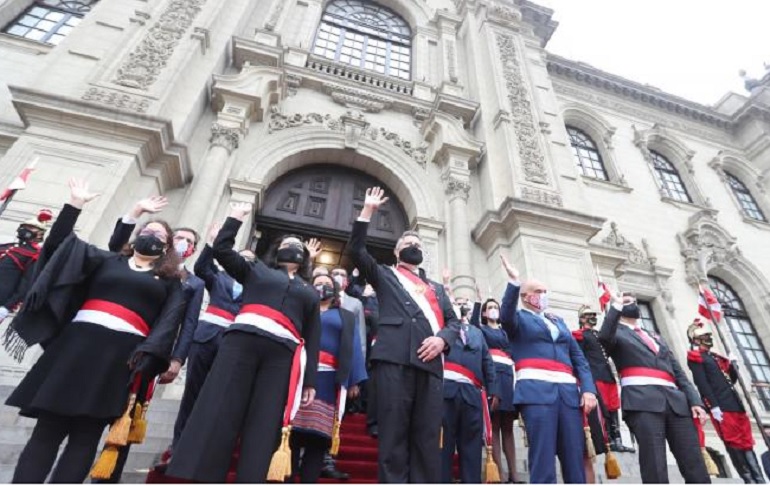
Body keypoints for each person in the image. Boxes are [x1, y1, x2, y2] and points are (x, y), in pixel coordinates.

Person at [4, 179, 185, 483]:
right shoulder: (106, 261)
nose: (151, 237)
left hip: (119, 360)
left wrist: (149, 355)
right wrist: (76, 205)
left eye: (160, 236)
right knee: (47, 431)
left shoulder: (170, 282)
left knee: (85, 438)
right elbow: (58, 244)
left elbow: (169, 323)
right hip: (74, 349)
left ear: (167, 247)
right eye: (147, 231)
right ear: (136, 235)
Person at [167, 202, 321, 483]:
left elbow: (312, 336)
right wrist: (234, 219)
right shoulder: (256, 270)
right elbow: (223, 251)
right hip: (240, 345)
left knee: (264, 422)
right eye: (287, 243)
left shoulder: (309, 291)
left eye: (298, 245)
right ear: (277, 250)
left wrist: (309, 381)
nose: (293, 247)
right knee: (221, 409)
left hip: (281, 357)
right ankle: (204, 475)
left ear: (305, 257)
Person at [349, 186, 459, 483]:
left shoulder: (435, 289)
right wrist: (367, 211)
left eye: (418, 243)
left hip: (430, 364)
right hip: (393, 360)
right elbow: (357, 251)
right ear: (397, 251)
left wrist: (442, 339)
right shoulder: (385, 275)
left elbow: (453, 322)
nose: (413, 245)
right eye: (407, 242)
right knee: (393, 435)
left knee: (426, 437)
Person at [498, 255, 597, 484]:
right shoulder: (518, 319)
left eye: (545, 290)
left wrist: (589, 390)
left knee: (574, 455)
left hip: (569, 395)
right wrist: (514, 282)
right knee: (542, 457)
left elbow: (578, 359)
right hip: (537, 393)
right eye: (539, 291)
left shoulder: (558, 321)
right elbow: (505, 316)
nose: (544, 295)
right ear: (526, 296)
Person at [598, 292, 711, 484]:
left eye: (634, 300)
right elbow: (604, 336)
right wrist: (615, 306)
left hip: (677, 403)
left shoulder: (656, 337)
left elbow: (678, 372)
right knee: (654, 464)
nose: (632, 302)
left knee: (694, 462)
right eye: (627, 300)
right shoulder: (616, 332)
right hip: (642, 402)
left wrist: (695, 401)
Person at [290, 273, 367, 483]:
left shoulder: (345, 315)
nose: (322, 287)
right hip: (298, 377)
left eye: (326, 284)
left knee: (318, 438)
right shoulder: (302, 311)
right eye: (317, 284)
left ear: (334, 290)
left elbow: (354, 348)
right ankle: (289, 477)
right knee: (293, 435)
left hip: (329, 380)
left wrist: (354, 379)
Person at [687, 318, 765, 483]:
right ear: (696, 339)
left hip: (736, 404)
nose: (709, 339)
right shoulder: (696, 357)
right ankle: (748, 479)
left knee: (746, 442)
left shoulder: (715, 357)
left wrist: (733, 365)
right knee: (734, 442)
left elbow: (730, 380)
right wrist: (713, 406)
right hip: (721, 406)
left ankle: (759, 479)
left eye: (709, 335)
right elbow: (702, 384)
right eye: (705, 336)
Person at [441, 301, 499, 483]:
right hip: (445, 392)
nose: (461, 306)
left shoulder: (477, 332)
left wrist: (494, 390)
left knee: (472, 449)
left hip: (472, 396)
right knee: (443, 448)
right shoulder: (441, 326)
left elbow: (487, 360)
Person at [321, 266, 367, 480]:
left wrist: (355, 376)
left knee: (333, 416)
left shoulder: (355, 304)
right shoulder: (314, 300)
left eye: (342, 274)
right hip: (311, 365)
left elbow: (359, 340)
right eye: (334, 274)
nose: (337, 277)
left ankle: (327, 460)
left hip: (340, 367)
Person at [470, 292, 521, 483]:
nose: (494, 310)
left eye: (496, 308)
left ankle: (514, 474)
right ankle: (499, 472)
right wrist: (477, 301)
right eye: (490, 308)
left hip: (508, 375)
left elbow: (510, 352)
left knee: (508, 425)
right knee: (496, 425)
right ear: (484, 313)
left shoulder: (504, 332)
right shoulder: (482, 329)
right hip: (492, 374)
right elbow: (473, 324)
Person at [573, 305, 634, 453]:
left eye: (593, 315)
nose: (592, 317)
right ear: (582, 319)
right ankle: (607, 440)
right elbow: (578, 357)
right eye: (588, 315)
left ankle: (617, 439)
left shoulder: (600, 335)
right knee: (603, 408)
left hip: (607, 375)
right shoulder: (580, 335)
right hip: (594, 375)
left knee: (613, 407)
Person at [0, 209, 52, 326]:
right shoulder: (6, 246)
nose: (26, 229)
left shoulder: (36, 254)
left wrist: (7, 307)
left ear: (40, 234)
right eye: (25, 226)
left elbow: (26, 283)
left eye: (31, 227)